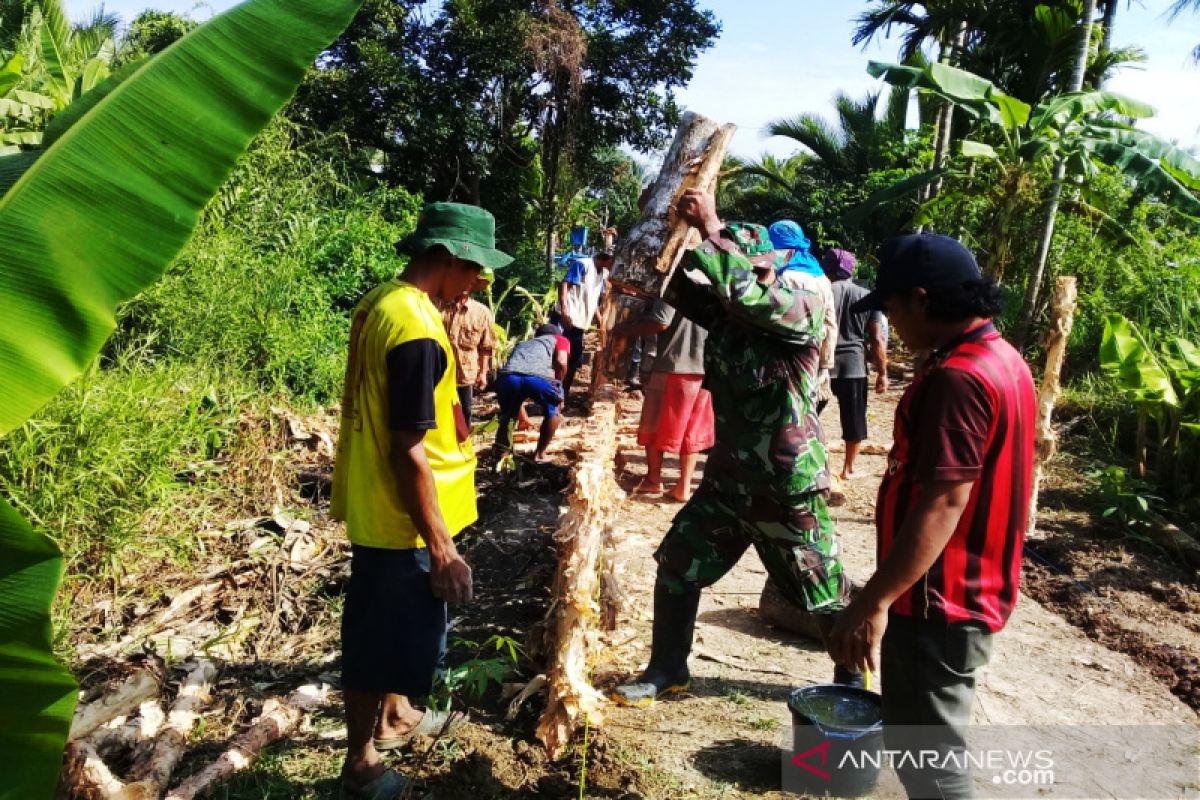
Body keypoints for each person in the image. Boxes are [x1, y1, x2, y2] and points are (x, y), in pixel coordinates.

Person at [612, 190, 861, 708]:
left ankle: (850, 688)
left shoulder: (800, 308)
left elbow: (748, 297)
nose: (743, 277)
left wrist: (710, 224)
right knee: (678, 563)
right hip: (729, 480)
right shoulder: (728, 312)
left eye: (753, 266)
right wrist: (659, 227)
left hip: (786, 485)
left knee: (823, 590)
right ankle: (667, 670)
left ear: (766, 266)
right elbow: (668, 283)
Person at [827, 233, 1035, 799]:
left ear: (920, 299)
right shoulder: (1004, 358)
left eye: (891, 308)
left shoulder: (958, 378)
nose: (890, 322)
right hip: (966, 590)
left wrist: (873, 601)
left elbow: (945, 501)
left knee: (931, 765)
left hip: (940, 601)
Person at [330, 202, 511, 799]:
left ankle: (392, 717)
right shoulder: (414, 328)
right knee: (380, 639)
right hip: (400, 521)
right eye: (476, 269)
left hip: (390, 512)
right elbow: (408, 447)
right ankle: (361, 766)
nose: (480, 283)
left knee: (393, 636)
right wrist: (440, 546)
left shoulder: (387, 303)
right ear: (446, 258)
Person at [614, 299, 714, 502]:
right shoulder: (714, 287)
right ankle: (683, 487)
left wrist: (624, 330)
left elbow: (661, 322)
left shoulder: (675, 287)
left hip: (673, 365)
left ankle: (653, 479)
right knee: (691, 429)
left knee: (653, 422)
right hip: (704, 368)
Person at [819, 248, 889, 479]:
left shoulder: (821, 291)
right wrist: (882, 372)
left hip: (823, 365)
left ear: (827, 268)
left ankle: (810, 462)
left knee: (809, 415)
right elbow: (877, 338)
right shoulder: (866, 296)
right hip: (854, 366)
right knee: (854, 419)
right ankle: (848, 468)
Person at [769, 220, 837, 404]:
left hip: (787, 359)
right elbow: (830, 324)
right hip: (814, 356)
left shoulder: (783, 276)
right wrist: (825, 366)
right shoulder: (821, 277)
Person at [493, 323, 570, 462]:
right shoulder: (560, 339)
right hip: (538, 378)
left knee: (507, 416)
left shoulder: (524, 344)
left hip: (508, 377)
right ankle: (540, 454)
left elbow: (517, 373)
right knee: (553, 412)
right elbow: (561, 361)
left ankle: (502, 455)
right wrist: (559, 385)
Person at [551, 250, 612, 399]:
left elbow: (592, 299)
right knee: (559, 359)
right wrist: (565, 309)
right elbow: (565, 284)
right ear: (607, 258)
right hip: (566, 319)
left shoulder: (602, 274)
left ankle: (562, 395)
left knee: (574, 361)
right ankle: (551, 396)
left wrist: (599, 320)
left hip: (579, 324)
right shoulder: (583, 264)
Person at [441, 266, 497, 425]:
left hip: (465, 373)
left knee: (464, 414)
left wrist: (483, 373)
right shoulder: (439, 305)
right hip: (438, 372)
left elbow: (486, 347)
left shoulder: (482, 312)